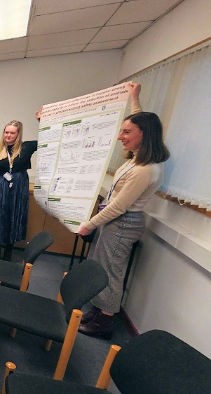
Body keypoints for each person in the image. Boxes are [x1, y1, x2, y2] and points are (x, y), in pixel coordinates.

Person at [77, 83, 170, 339]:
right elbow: (142, 120)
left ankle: (104, 321)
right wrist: (134, 98)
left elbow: (119, 205)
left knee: (110, 271)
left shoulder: (144, 170)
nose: (121, 136)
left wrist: (90, 224)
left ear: (144, 134)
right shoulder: (139, 157)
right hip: (116, 221)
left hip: (123, 223)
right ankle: (98, 310)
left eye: (126, 132)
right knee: (99, 264)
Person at [0, 121, 38, 260]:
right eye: (6, 132)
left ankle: (9, 251)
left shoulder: (26, 147)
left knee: (14, 217)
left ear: (18, 134)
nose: (8, 135)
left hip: (19, 188)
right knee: (0, 218)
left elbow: (47, 139)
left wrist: (42, 120)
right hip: (1, 189)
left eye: (12, 133)